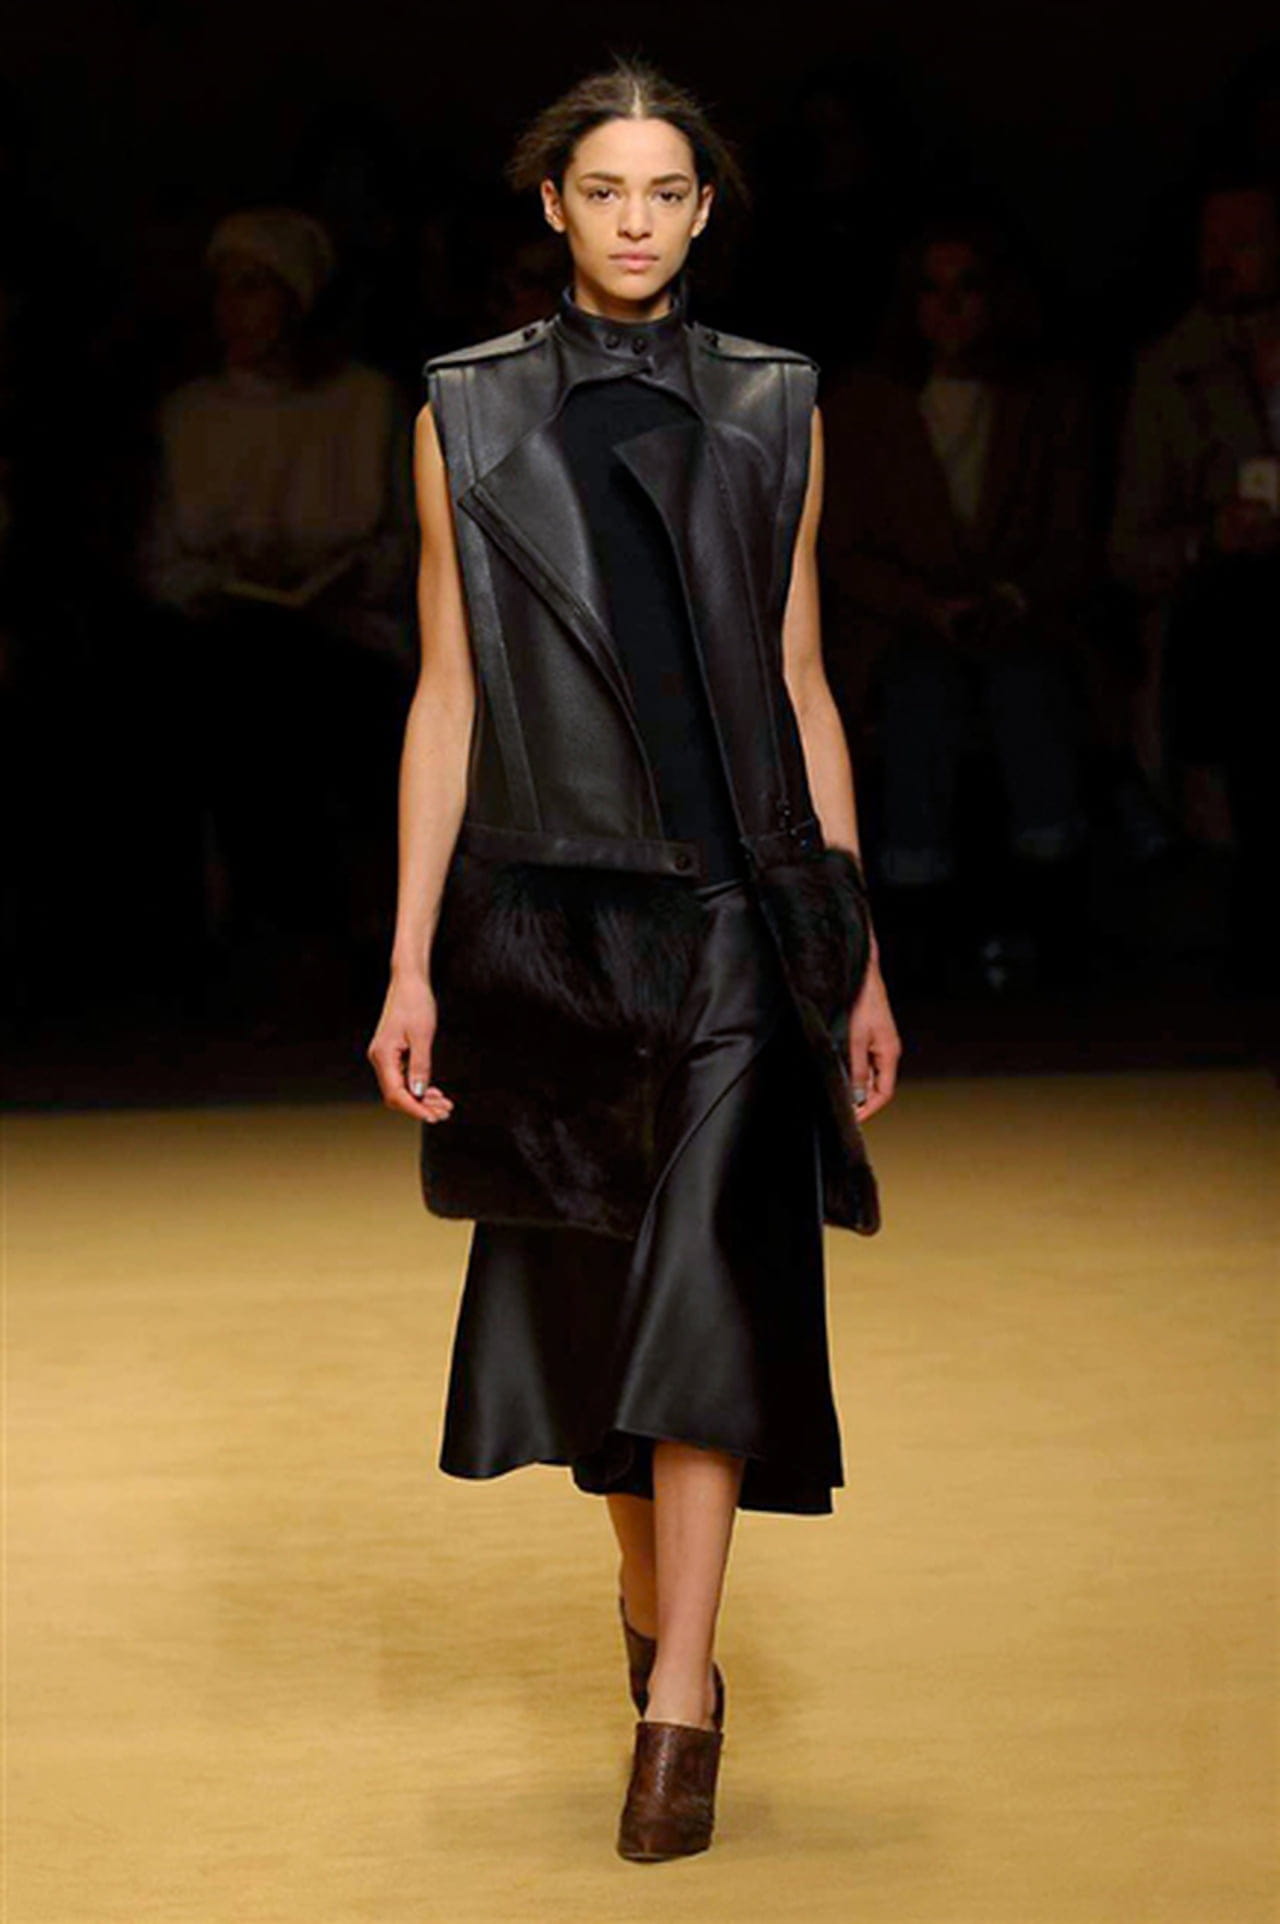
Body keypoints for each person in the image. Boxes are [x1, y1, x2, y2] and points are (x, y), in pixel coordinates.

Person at [367, 61, 900, 1862]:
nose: (638, 221)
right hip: (552, 917)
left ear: (703, 207)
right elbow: (448, 695)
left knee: (708, 1293)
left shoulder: (774, 399)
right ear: (553, 206)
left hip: (741, 912)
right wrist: (411, 963)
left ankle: (680, 1697)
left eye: (668, 190)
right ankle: (653, 1600)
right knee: (599, 1315)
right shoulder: (464, 411)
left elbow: (803, 683)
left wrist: (854, 950)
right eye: (605, 189)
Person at [140, 206, 415, 1001]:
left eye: (254, 288)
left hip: (350, 639)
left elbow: (403, 543)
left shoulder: (365, 402)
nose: (235, 310)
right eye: (225, 290)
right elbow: (161, 558)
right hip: (230, 641)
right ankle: (271, 938)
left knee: (305, 694)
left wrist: (342, 579)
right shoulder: (191, 415)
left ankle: (335, 937)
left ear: (298, 301)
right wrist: (219, 583)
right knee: (241, 689)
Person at [821, 216, 1093, 990]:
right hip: (900, 633)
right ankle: (920, 933)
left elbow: (1072, 534)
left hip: (1023, 623)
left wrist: (1011, 597)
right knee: (920, 697)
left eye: (968, 287)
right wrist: (923, 606)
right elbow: (841, 549)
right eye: (931, 290)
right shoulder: (866, 406)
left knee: (1028, 691)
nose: (949, 307)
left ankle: (1044, 926)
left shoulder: (1044, 402)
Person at [1110, 177, 1280, 987]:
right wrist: (1211, 537)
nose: (1223, 259)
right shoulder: (1175, 373)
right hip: (1223, 628)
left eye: (1244, 240)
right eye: (1211, 241)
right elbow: (1127, 548)